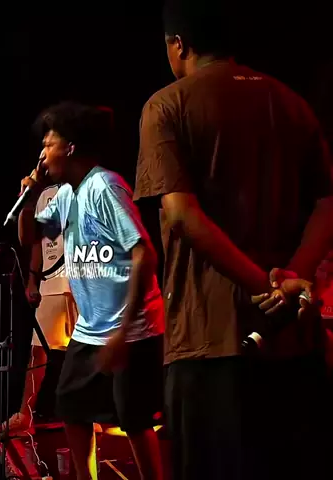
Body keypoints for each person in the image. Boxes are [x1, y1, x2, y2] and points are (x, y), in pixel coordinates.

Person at [133, 1, 333, 479]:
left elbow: (182, 215)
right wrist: (294, 278)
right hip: (293, 340)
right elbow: (328, 204)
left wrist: (263, 286)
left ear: (178, 44)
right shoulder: (291, 102)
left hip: (209, 339)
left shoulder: (167, 105)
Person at [18, 101, 165, 480]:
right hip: (91, 329)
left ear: (70, 147)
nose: (42, 155)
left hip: (131, 330)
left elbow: (144, 253)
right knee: (71, 408)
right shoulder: (67, 194)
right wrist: (30, 198)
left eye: (48, 144)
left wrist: (122, 331)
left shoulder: (105, 186)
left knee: (133, 419)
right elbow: (31, 236)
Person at [0, 185, 78, 436]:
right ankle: (25, 415)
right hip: (52, 284)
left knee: (89, 352)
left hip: (84, 283)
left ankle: (97, 414)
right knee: (37, 352)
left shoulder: (82, 184)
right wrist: (32, 280)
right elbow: (35, 240)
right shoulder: (43, 194)